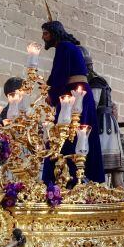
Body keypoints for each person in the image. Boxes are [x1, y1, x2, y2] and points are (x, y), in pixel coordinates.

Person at [41, 19, 104, 184]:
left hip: (74, 94)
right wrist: (48, 85)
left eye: (46, 34)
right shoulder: (70, 47)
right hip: (81, 93)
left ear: (54, 33)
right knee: (80, 133)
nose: (43, 37)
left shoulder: (63, 47)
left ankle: (66, 177)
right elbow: (57, 73)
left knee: (67, 134)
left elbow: (60, 74)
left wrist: (52, 94)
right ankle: (85, 175)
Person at [82, 45, 124, 187]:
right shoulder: (93, 80)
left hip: (103, 127)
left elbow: (92, 106)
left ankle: (118, 197)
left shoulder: (95, 81)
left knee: (110, 168)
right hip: (104, 125)